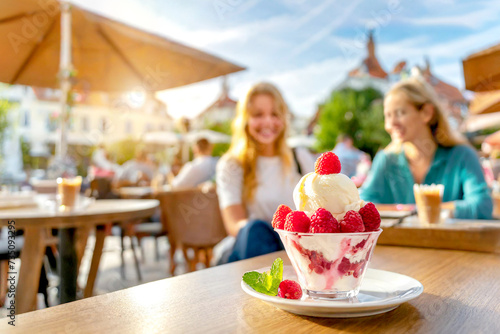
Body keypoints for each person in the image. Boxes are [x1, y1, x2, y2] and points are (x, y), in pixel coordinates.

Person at [360, 77, 492, 219]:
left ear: (427, 113)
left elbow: (482, 205)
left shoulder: (462, 156)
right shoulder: (385, 160)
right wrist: (421, 211)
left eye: (400, 113)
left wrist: (421, 211)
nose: (391, 124)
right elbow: (363, 205)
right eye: (387, 116)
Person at [215, 82, 315, 263]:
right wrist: (275, 231)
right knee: (255, 230)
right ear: (245, 120)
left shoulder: (299, 157)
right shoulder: (232, 164)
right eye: (258, 115)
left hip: (296, 248)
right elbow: (234, 224)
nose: (268, 122)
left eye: (275, 114)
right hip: (253, 248)